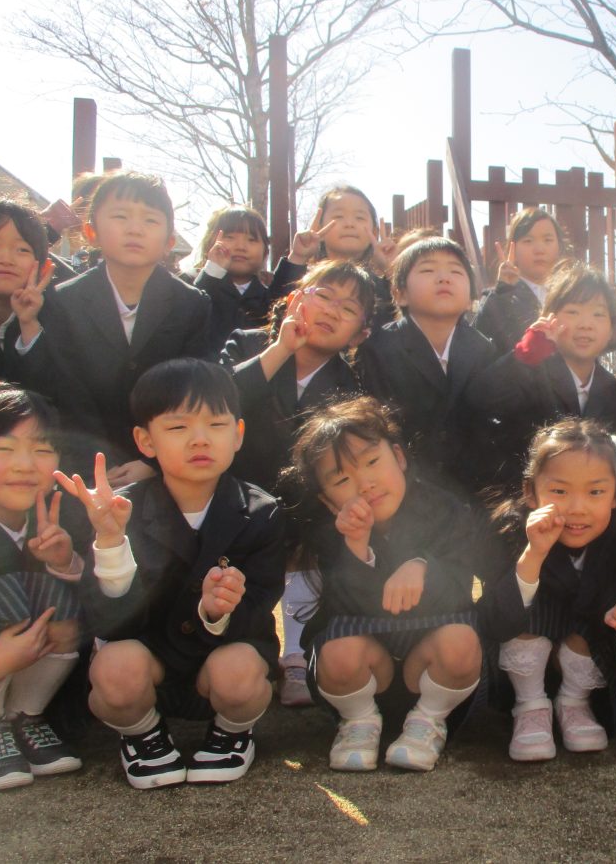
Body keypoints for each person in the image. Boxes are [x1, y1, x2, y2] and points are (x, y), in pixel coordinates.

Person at [56, 359, 286, 789]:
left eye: (216, 425)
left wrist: (216, 611)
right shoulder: (117, 511)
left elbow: (258, 611)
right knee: (114, 669)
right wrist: (111, 541)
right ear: (145, 440)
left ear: (237, 434)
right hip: (150, 668)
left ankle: (232, 732)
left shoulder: (261, 512)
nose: (200, 439)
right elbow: (108, 623)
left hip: (220, 666)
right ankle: (142, 734)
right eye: (178, 427)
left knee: (240, 672)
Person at [285, 397, 484, 773]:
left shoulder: (447, 509)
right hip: (364, 678)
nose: (366, 484)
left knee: (462, 640)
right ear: (328, 501)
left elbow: (459, 587)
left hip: (431, 675)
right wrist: (356, 547)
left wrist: (423, 566)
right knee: (337, 650)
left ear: (399, 457)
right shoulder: (327, 534)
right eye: (343, 480)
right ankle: (357, 723)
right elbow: (339, 607)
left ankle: (428, 722)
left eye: (373, 462)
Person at [221, 260, 382, 707]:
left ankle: (295, 655)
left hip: (299, 494)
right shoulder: (247, 343)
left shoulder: (346, 382)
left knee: (312, 527)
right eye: (323, 296)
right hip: (233, 484)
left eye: (348, 309)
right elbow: (218, 400)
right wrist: (280, 349)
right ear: (294, 299)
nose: (331, 310)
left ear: (358, 335)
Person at [479, 420, 616, 761]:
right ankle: (530, 706)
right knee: (527, 609)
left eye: (596, 492)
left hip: (594, 679)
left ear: (615, 495)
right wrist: (533, 555)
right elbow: (494, 623)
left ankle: (575, 704)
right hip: (521, 675)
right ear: (531, 492)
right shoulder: (511, 530)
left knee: (602, 617)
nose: (577, 508)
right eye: (559, 492)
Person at [18, 172, 213, 485]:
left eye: (150, 220)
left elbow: (193, 391)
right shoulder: (63, 301)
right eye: (120, 216)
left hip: (165, 467)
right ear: (91, 232)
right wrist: (96, 466)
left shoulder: (191, 303)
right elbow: (66, 392)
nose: (135, 229)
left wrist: (154, 461)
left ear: (169, 241)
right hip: (82, 468)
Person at [0, 382, 83, 792]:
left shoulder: (65, 516)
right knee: (5, 597)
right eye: (4, 449)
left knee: (60, 601)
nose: (25, 465)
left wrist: (64, 562)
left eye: (42, 449)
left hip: (22, 669)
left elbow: (108, 608)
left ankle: (22, 717)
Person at [465, 262, 616, 491]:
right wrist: (525, 355)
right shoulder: (530, 371)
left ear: (611, 329)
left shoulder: (613, 389)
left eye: (598, 314)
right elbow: (479, 400)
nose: (586, 325)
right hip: (527, 499)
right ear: (549, 318)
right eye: (573, 312)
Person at [365, 237, 497, 497]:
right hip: (408, 488)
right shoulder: (380, 348)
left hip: (474, 487)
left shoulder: (482, 348)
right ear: (400, 294)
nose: (444, 278)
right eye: (428, 270)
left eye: (456, 272)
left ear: (470, 299)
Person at [0, 199, 71, 391]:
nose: (6, 259)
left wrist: (29, 325)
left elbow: (60, 393)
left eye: (22, 249)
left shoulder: (64, 318)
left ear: (43, 268)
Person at [276, 186, 397, 331]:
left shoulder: (384, 287)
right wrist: (297, 257)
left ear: (375, 232)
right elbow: (273, 312)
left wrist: (392, 270)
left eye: (360, 218)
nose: (349, 224)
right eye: (338, 216)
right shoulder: (305, 279)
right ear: (319, 227)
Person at [474, 208, 566, 355]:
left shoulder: (568, 294)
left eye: (548, 240)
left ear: (559, 247)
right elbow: (479, 336)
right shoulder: (500, 296)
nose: (539, 249)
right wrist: (503, 291)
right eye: (528, 241)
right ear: (513, 248)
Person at [190, 206, 277, 353]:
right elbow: (188, 315)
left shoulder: (269, 298)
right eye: (230, 237)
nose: (241, 247)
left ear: (265, 252)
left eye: (251, 239)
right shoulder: (191, 283)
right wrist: (213, 271)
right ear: (210, 243)